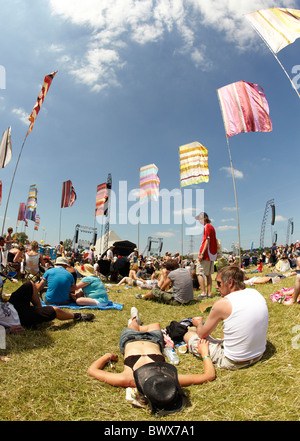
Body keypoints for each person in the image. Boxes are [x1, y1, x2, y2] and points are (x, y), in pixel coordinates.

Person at [87, 307, 215, 417]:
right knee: (155, 325)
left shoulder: (127, 378)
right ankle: (139, 324)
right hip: (154, 341)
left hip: (130, 339)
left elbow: (92, 370)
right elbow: (208, 376)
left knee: (133, 325)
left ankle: (134, 319)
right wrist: (205, 354)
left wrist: (107, 356)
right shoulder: (170, 380)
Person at [185, 266, 269, 370]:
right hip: (258, 354)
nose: (217, 287)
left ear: (230, 282)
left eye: (219, 283)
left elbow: (202, 334)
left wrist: (198, 323)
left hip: (234, 360)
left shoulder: (223, 303)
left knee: (189, 335)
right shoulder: (256, 293)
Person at [0, 281, 94, 333]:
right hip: (19, 317)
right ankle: (76, 316)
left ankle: (39, 310)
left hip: (11, 305)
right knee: (55, 310)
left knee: (30, 284)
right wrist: (8, 331)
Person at [195, 212, 218, 297]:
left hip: (206, 254)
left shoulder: (207, 226)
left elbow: (207, 241)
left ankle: (203, 292)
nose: (199, 221)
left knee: (199, 273)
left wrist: (201, 253)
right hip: (211, 254)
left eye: (200, 219)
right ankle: (209, 293)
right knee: (208, 274)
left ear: (204, 218)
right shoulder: (211, 227)